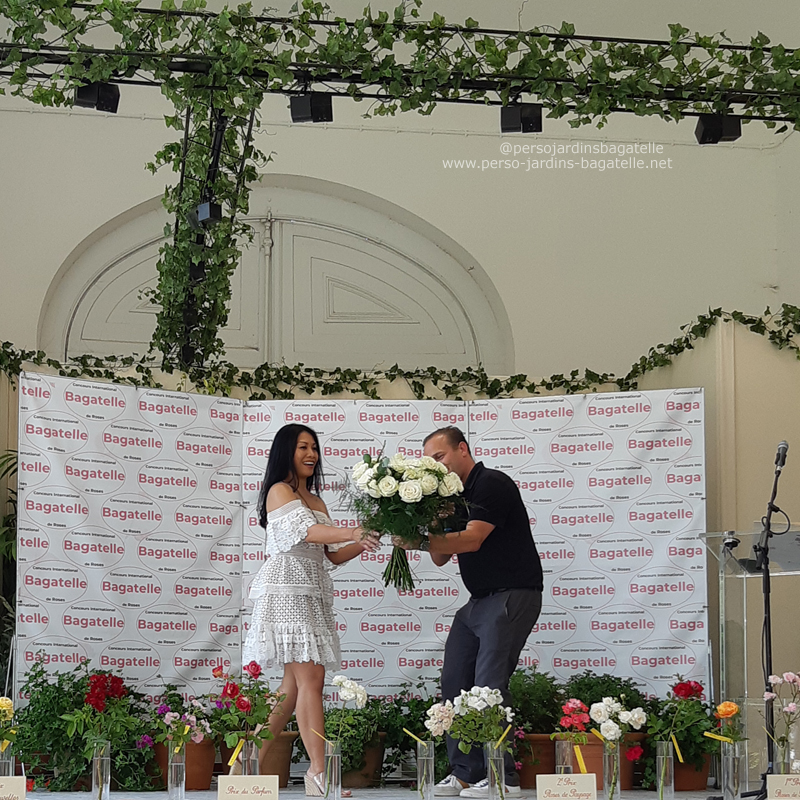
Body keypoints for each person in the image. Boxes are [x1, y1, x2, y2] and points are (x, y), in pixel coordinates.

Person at [394, 426, 543, 798]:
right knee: (454, 682)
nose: (435, 466)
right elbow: (442, 557)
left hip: (512, 593)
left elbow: (473, 539)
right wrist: (433, 518)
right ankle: (465, 772)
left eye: (439, 457)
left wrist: (415, 540)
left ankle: (501, 778)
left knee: (489, 685)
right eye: (429, 461)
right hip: (478, 600)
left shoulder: (492, 483)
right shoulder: (453, 497)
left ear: (462, 449)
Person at [242, 423, 380, 796]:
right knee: (311, 681)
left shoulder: (317, 501)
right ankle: (318, 774)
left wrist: (367, 537)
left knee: (291, 689)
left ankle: (246, 761)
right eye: (303, 447)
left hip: (313, 595)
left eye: (314, 447)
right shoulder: (279, 491)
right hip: (287, 592)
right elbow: (306, 533)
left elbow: (331, 555)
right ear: (286, 451)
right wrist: (352, 532)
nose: (311, 454)